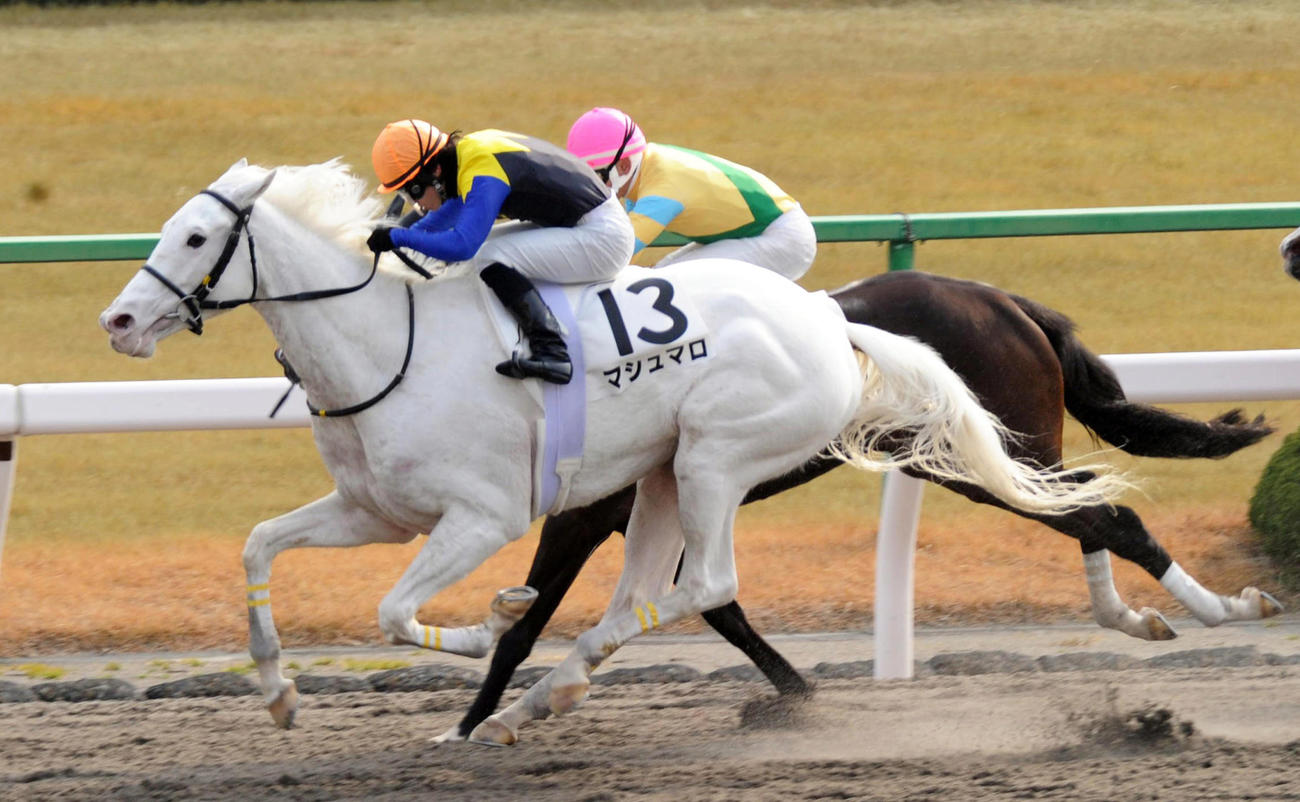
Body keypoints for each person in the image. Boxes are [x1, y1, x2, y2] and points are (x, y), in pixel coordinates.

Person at [367, 119, 635, 385]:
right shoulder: (470, 154)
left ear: (435, 172)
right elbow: (442, 219)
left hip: (604, 239)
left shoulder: (483, 172)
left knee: (489, 256)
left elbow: (462, 245)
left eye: (411, 193)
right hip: (589, 224)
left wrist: (399, 236)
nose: (415, 204)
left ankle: (553, 352)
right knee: (483, 255)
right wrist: (396, 235)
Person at [566, 107, 816, 281]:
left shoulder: (663, 188)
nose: (594, 187)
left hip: (784, 238)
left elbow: (621, 248)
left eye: (596, 177)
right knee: (664, 273)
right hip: (764, 230)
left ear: (623, 166)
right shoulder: (644, 169)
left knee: (674, 281)